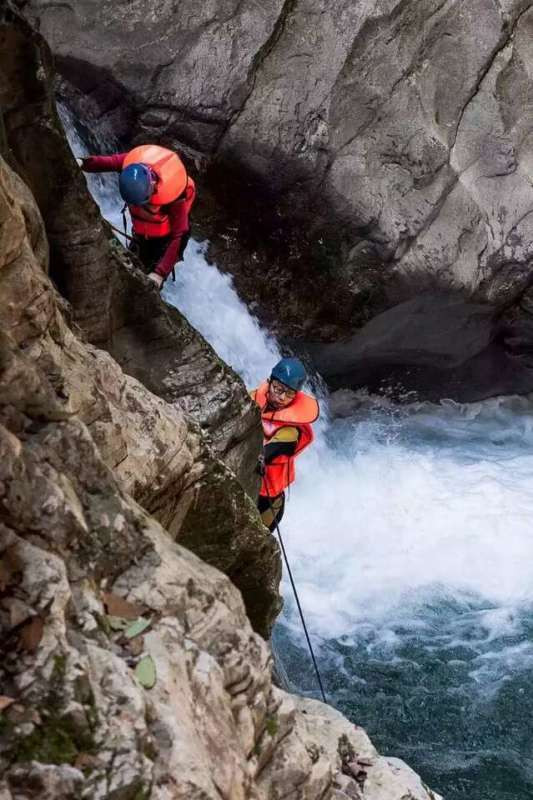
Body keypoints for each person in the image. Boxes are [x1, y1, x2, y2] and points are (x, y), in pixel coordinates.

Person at [78, 144, 195, 288]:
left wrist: (159, 273)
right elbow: (110, 162)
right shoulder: (133, 164)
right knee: (136, 262)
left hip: (166, 239)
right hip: (143, 232)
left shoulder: (174, 196)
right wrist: (82, 162)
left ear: (152, 187)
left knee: (150, 274)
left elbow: (179, 235)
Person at [250, 357, 319, 531]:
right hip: (249, 484)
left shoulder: (292, 430)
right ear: (270, 382)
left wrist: (262, 457)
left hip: (268, 502)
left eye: (289, 393)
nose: (281, 397)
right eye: (277, 389)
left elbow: (276, 448)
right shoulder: (252, 399)